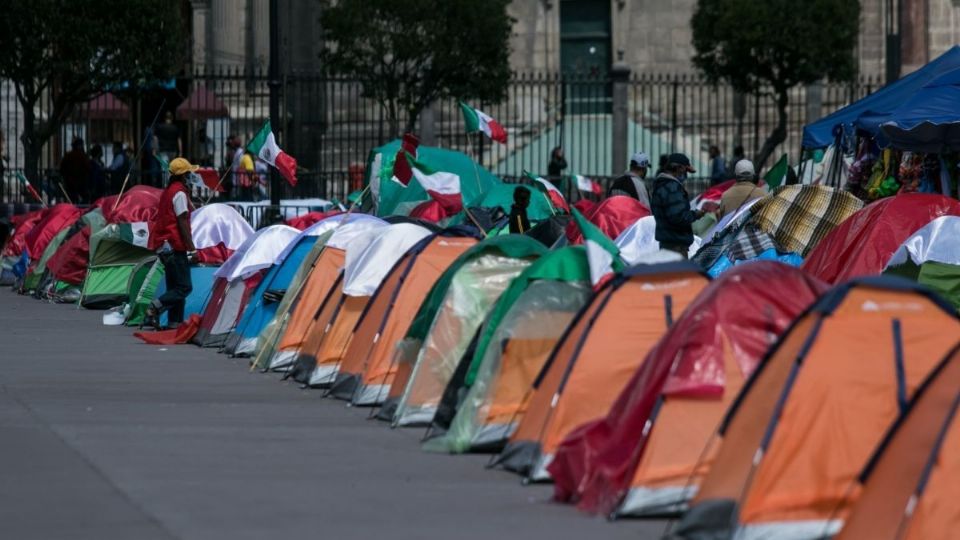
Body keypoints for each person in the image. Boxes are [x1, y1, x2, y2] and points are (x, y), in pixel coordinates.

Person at [144, 158, 198, 330]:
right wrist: (192, 248)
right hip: (175, 245)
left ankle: (175, 323)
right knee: (184, 287)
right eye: (188, 173)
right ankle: (155, 306)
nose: (190, 176)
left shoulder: (169, 191)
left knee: (174, 286)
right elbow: (182, 222)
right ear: (183, 176)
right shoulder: (179, 193)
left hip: (164, 245)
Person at [650, 153, 704, 258]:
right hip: (676, 248)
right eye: (685, 170)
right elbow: (679, 217)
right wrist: (696, 214)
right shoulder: (673, 188)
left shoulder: (660, 185)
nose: (686, 175)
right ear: (678, 168)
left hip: (666, 245)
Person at [59, 137, 91, 203]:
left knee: (71, 199)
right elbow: (88, 169)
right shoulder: (83, 156)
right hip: (81, 182)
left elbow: (62, 169)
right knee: (85, 198)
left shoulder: (68, 155)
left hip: (70, 182)